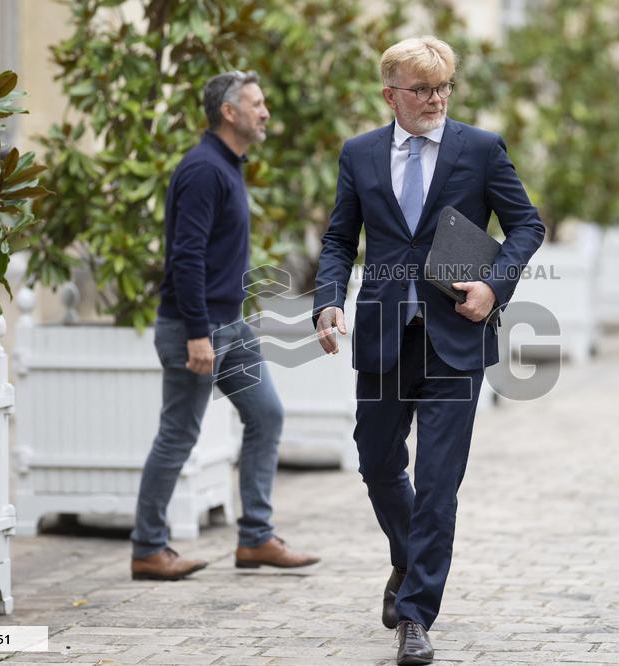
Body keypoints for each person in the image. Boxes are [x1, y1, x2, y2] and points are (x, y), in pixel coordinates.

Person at [312, 37, 544, 665]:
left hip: (456, 339)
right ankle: (407, 556)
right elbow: (339, 239)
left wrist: (494, 286)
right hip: (385, 335)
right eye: (422, 89)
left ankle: (415, 615)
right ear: (391, 95)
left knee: (439, 484)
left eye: (443, 87)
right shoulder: (360, 153)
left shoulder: (481, 149)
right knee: (376, 461)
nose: (436, 99)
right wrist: (327, 300)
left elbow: (527, 224)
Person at [130, 70, 319, 581]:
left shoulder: (227, 166)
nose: (266, 113)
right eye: (257, 104)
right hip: (198, 328)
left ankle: (256, 537)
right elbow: (186, 257)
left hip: (230, 326)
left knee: (267, 415)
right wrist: (197, 333)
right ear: (229, 113)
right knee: (178, 433)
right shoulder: (203, 170)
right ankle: (148, 547)